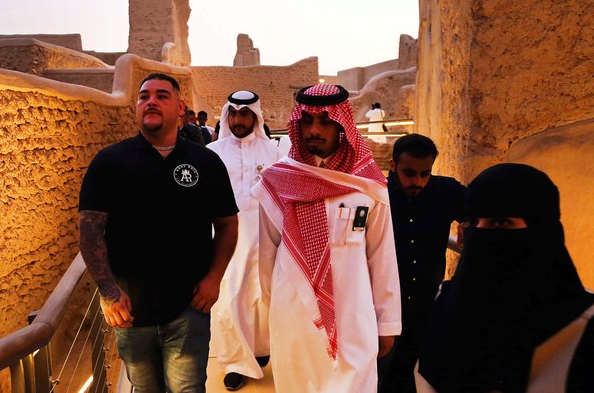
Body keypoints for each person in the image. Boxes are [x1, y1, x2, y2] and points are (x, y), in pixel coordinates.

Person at [78, 73, 239, 393]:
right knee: (144, 388)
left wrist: (214, 278)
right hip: (129, 310)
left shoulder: (205, 162)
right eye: (143, 96)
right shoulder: (110, 162)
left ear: (180, 108)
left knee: (188, 388)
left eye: (161, 95)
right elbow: (90, 230)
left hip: (189, 306)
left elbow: (227, 224)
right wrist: (109, 292)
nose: (150, 100)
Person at [416, 163, 594, 392]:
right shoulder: (441, 305)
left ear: (542, 233)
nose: (480, 235)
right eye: (472, 222)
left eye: (501, 222)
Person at [252, 83, 401, 392]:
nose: (314, 130)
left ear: (342, 125)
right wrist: (267, 312)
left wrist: (387, 323)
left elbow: (381, 255)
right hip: (294, 312)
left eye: (325, 121)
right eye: (306, 121)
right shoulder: (277, 180)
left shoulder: (367, 185)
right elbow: (266, 256)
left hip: (353, 312)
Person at [378, 134, 465, 393]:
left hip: (427, 307)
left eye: (425, 174)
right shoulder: (377, 197)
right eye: (409, 173)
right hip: (385, 309)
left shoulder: (446, 191)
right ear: (393, 166)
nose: (418, 182)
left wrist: (470, 220)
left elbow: (485, 202)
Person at [206, 91, 280, 391]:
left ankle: (262, 351)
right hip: (227, 244)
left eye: (245, 113)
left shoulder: (274, 152)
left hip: (266, 241)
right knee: (230, 300)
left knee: (265, 299)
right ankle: (235, 363)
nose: (238, 119)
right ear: (227, 116)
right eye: (233, 113)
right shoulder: (212, 151)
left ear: (256, 117)